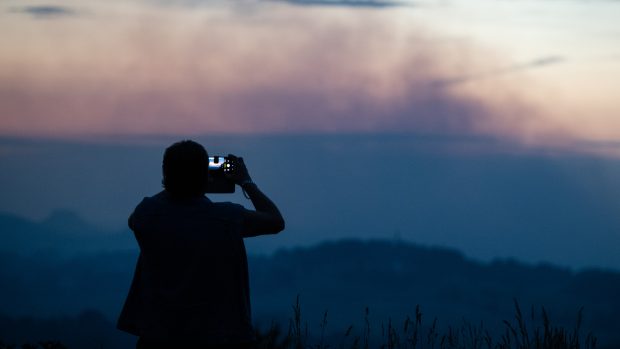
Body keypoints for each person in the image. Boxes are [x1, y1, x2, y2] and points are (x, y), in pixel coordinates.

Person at [117, 140, 285, 349]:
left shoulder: (146, 215)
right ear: (205, 175)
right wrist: (246, 182)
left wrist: (176, 182)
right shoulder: (227, 218)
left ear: (165, 172)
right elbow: (275, 221)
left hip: (158, 336)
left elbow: (140, 215)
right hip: (220, 336)